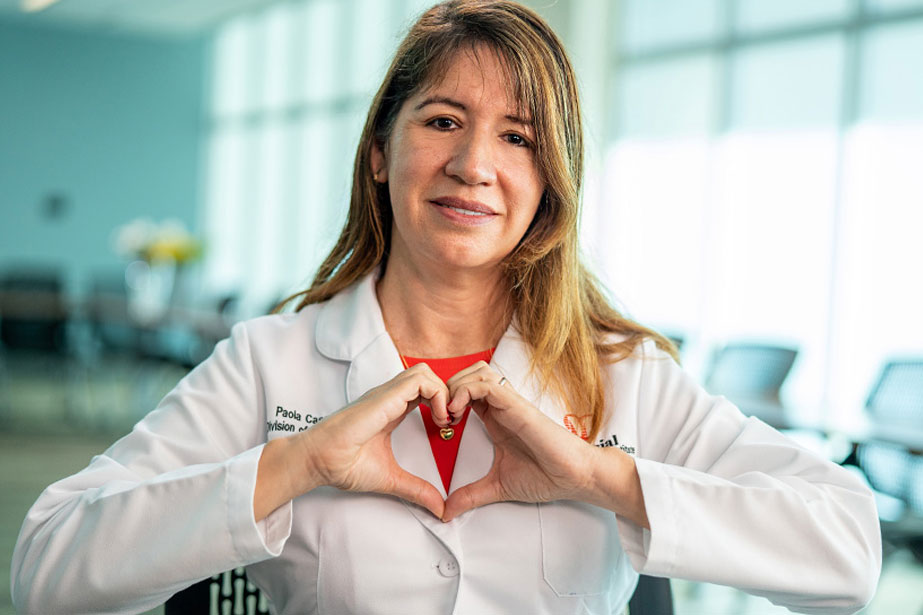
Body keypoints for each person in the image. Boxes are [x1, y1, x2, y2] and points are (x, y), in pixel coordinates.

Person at [12, 1, 881, 614]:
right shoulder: (268, 361)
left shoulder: (624, 378)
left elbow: (846, 553)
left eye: (518, 137)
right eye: (440, 120)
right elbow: (47, 570)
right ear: (382, 152)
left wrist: (597, 478)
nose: (473, 163)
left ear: (546, 186)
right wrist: (295, 464)